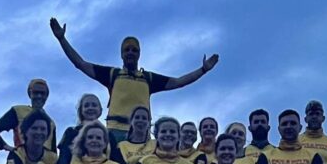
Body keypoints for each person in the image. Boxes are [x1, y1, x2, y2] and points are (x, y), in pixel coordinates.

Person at [49, 18, 219, 142]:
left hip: (140, 133)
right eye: (127, 50)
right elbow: (81, 64)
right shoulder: (112, 74)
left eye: (134, 50)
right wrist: (62, 39)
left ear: (139, 54)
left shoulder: (148, 78)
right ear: (122, 54)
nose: (130, 53)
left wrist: (203, 70)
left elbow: (178, 82)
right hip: (114, 131)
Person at [0, 78, 57, 151]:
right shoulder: (18, 111)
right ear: (30, 94)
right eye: (35, 92)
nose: (39, 96)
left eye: (42, 93)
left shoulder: (51, 123)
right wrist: (5, 146)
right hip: (22, 160)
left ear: (46, 96)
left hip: (46, 162)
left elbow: (53, 151)